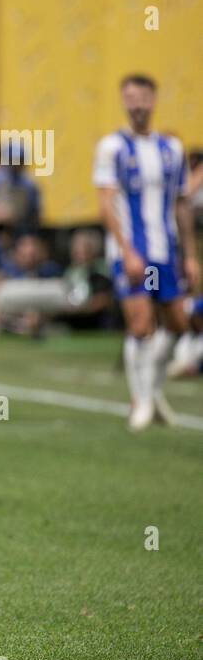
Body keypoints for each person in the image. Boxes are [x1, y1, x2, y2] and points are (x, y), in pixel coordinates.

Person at [93, 73, 199, 430]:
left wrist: (190, 254)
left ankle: (152, 393)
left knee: (177, 323)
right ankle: (140, 402)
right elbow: (105, 203)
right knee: (140, 323)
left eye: (143, 98)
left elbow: (182, 206)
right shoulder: (112, 147)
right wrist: (127, 251)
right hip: (132, 251)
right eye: (131, 98)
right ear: (124, 102)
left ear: (153, 101)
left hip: (165, 251)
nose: (137, 104)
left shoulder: (171, 150)